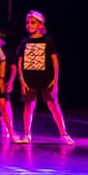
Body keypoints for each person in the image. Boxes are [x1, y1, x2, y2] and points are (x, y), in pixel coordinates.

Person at [15, 11, 74, 145]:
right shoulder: (25, 41)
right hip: (29, 80)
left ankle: (63, 134)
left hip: (46, 79)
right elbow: (20, 61)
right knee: (28, 106)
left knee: (53, 105)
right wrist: (22, 80)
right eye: (27, 23)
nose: (29, 25)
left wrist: (55, 80)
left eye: (33, 23)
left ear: (40, 25)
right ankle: (27, 134)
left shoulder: (48, 41)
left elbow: (55, 60)